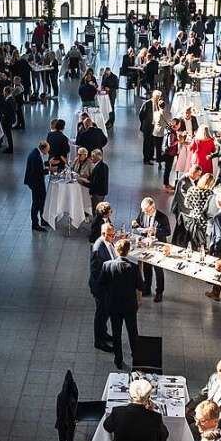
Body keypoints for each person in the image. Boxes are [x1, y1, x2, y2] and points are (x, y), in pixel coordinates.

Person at [98, 238, 141, 370]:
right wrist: (138, 301)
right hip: (129, 306)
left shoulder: (107, 265)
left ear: (116, 251)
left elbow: (101, 283)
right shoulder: (134, 268)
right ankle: (136, 357)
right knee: (133, 333)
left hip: (114, 305)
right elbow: (140, 286)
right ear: (128, 251)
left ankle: (118, 359)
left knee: (116, 333)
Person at [131, 197, 170, 302]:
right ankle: (147, 288)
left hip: (158, 246)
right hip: (146, 245)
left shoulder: (162, 217)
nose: (144, 212)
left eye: (147, 211)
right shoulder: (143, 212)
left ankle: (159, 292)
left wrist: (155, 231)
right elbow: (139, 222)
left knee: (158, 270)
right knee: (147, 267)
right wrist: (135, 224)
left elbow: (167, 231)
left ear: (153, 208)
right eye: (143, 210)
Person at [89, 223, 116, 353]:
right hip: (101, 288)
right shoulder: (97, 249)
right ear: (103, 234)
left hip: (107, 287)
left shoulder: (108, 243)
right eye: (111, 235)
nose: (114, 237)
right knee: (101, 314)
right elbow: (95, 272)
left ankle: (104, 333)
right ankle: (99, 341)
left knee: (105, 314)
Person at [24, 141, 50, 232]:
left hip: (37, 182)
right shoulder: (35, 157)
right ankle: (35, 224)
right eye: (47, 150)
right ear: (43, 149)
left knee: (42, 201)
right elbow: (38, 172)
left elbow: (40, 165)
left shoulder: (37, 153)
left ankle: (43, 220)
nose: (48, 152)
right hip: (36, 183)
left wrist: (48, 163)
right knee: (36, 203)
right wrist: (49, 170)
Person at [88, 149, 109, 215]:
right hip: (102, 191)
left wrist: (84, 182)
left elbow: (95, 183)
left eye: (93, 157)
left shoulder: (98, 168)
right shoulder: (104, 165)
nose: (91, 158)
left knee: (96, 209)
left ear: (97, 157)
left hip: (98, 192)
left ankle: (96, 223)